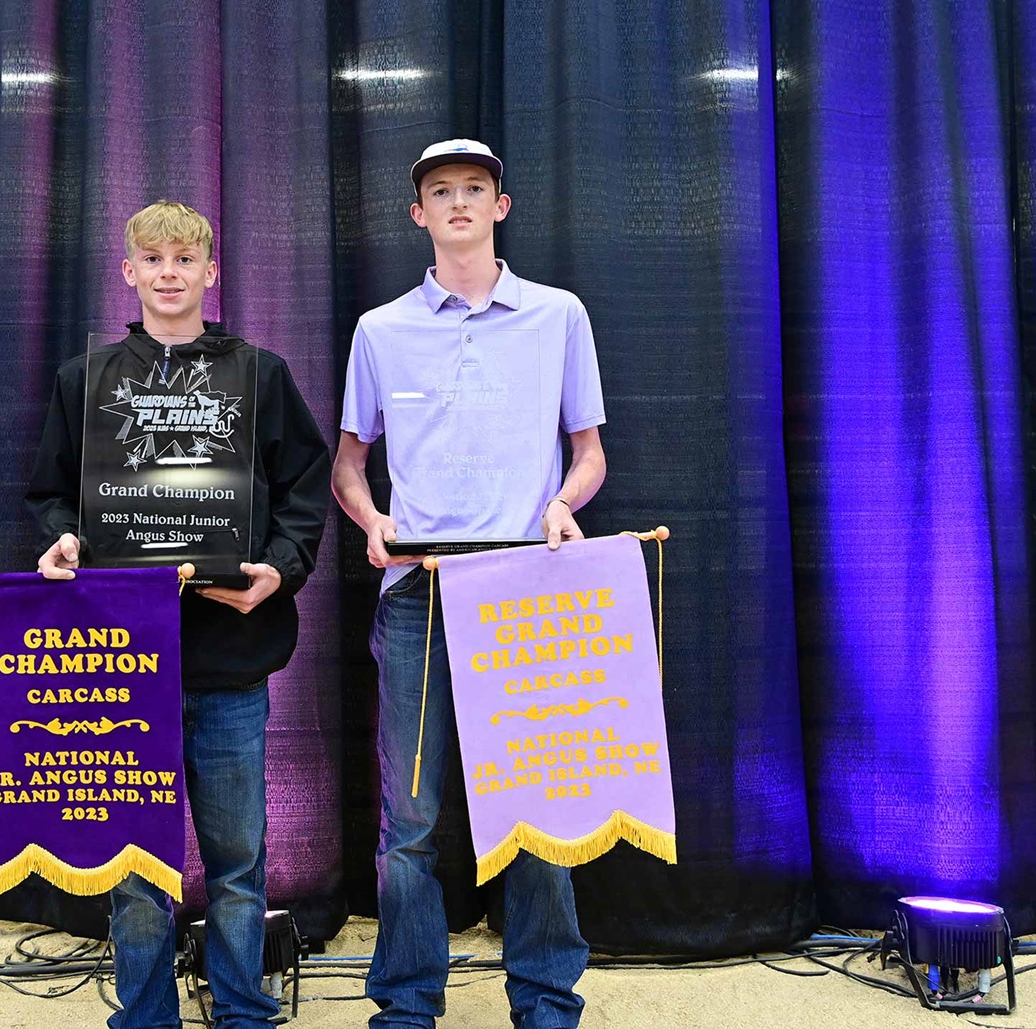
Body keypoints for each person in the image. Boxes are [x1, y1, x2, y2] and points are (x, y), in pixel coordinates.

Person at [26, 200, 331, 1029]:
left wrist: (283, 566)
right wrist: (59, 541)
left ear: (210, 271)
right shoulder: (82, 381)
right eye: (152, 259)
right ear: (128, 272)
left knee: (238, 861)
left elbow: (307, 488)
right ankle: (148, 1015)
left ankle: (241, 1009)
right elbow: (51, 495)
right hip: (122, 665)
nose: (169, 272)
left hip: (231, 655)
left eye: (184, 259)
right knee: (134, 868)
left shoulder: (260, 375)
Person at [332, 140, 607, 1028]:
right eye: (440, 192)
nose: (458, 203)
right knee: (409, 820)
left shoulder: (559, 316)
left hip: (528, 590)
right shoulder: (380, 329)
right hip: (418, 592)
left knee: (538, 806)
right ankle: (407, 1006)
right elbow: (348, 465)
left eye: (474, 190)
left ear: (501, 206)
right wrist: (373, 523)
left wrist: (564, 505)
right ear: (418, 214)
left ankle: (546, 1001)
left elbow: (589, 453)